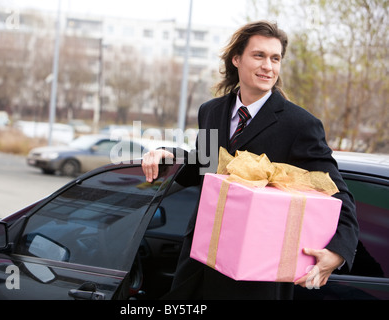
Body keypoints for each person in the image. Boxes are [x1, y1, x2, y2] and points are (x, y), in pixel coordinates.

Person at [142, 20, 359, 299]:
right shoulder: (211, 111)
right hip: (199, 265)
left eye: (275, 58)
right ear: (236, 59)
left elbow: (336, 191)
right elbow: (203, 167)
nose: (268, 66)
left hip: (256, 279)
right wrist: (167, 156)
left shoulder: (300, 124)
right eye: (259, 55)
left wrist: (339, 251)